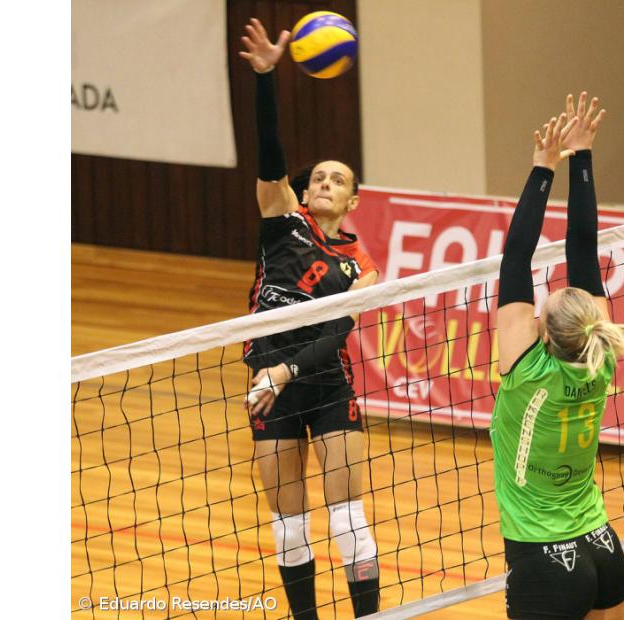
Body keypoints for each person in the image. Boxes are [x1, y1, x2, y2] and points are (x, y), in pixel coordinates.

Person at [238, 17, 380, 619]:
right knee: (289, 529)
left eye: (337, 179)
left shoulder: (361, 269)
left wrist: (287, 373)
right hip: (266, 384)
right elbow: (270, 154)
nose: (324, 182)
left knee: (348, 521)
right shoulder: (282, 221)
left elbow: (336, 334)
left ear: (353, 200)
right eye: (318, 176)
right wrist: (265, 78)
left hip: (321, 384)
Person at [491, 93, 624, 620]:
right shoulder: (601, 356)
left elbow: (517, 254)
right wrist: (581, 157)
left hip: (543, 558)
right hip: (602, 549)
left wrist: (544, 167)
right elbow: (583, 248)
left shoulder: (526, 369)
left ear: (542, 331)